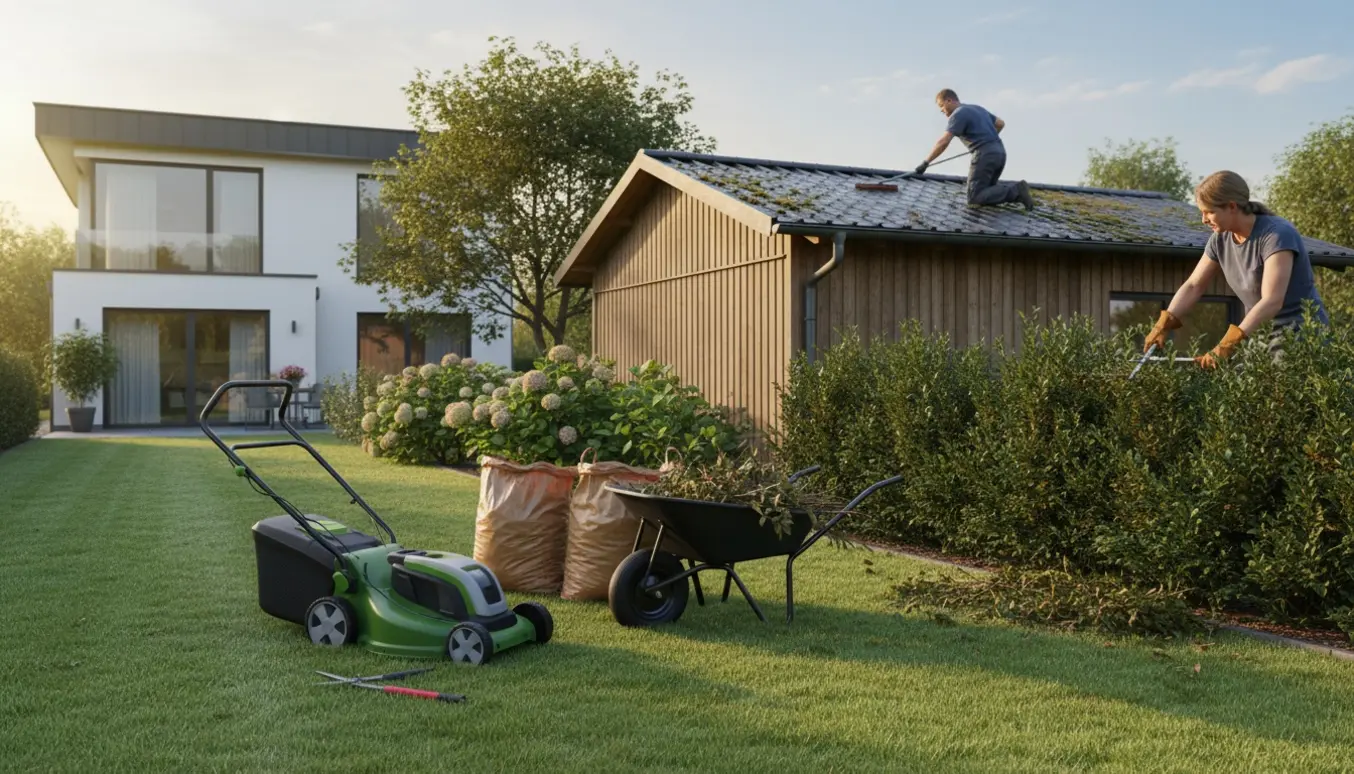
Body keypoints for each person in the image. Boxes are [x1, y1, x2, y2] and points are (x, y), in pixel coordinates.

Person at [1143, 170, 1329, 367]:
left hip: (1300, 334)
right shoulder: (1220, 239)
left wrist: (1226, 344)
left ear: (1232, 206)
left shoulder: (1276, 235)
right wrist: (1164, 323)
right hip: (1260, 332)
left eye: (1209, 212)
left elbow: (1272, 301)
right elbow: (1193, 285)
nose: (1204, 219)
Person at [917, 89, 1035, 210]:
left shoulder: (958, 114)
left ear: (949, 101)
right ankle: (1014, 193)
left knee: (975, 197)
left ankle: (1016, 190)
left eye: (941, 106)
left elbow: (943, 141)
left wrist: (926, 163)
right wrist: (988, 140)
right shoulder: (977, 109)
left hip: (985, 155)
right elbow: (1000, 123)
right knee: (987, 192)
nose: (941, 110)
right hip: (1000, 152)